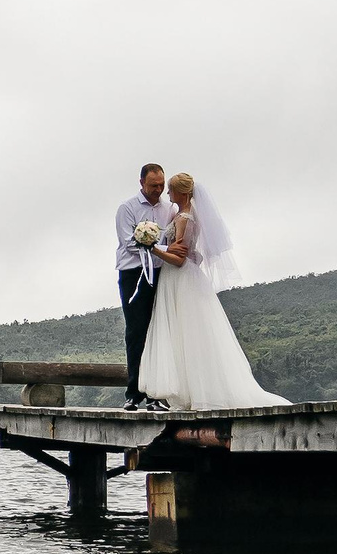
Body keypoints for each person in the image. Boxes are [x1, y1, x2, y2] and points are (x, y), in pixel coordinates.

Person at [135, 173, 290, 412]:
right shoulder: (181, 215)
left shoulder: (186, 218)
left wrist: (152, 248)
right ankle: (188, 392)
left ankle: (200, 393)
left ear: (182, 193)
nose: (167, 194)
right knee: (182, 334)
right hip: (176, 279)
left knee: (189, 335)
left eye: (171, 190)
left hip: (181, 278)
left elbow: (178, 259)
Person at [113, 165, 185, 404]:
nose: (158, 190)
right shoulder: (127, 208)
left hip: (160, 273)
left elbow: (171, 240)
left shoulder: (169, 208)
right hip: (134, 274)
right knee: (136, 331)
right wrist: (164, 248)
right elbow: (129, 244)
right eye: (154, 185)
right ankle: (134, 394)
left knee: (159, 331)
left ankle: (157, 393)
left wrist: (165, 250)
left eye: (161, 185)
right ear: (142, 182)